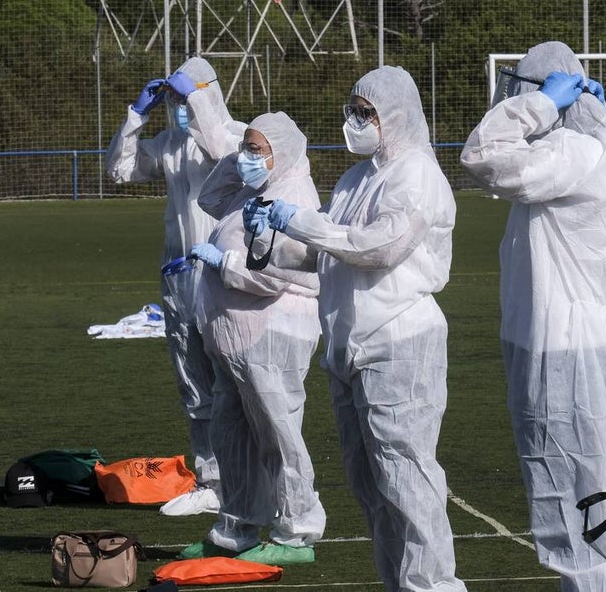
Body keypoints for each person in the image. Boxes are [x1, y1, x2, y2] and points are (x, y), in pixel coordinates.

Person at [243, 66, 467, 592]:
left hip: (399, 341)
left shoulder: (417, 175)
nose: (354, 121)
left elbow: (379, 247)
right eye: (352, 110)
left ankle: (434, 586)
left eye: (365, 113)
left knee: (406, 478)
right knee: (370, 484)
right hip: (349, 344)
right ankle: (399, 584)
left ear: (394, 116)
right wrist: (269, 245)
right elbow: (328, 255)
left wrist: (296, 220)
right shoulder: (355, 179)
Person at [459, 41, 606, 592]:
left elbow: (482, 155)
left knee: (576, 501)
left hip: (562, 350)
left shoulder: (573, 152)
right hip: (600, 339)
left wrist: (540, 106)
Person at [175, 111, 326, 565]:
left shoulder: (293, 196)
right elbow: (210, 197)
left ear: (282, 152)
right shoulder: (254, 189)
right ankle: (235, 527)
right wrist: (237, 155)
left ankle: (296, 531)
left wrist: (223, 264)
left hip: (272, 332)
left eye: (257, 150)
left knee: (277, 434)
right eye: (247, 147)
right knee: (231, 435)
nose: (247, 157)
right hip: (235, 337)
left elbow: (278, 275)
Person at [106, 56, 244, 516]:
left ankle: (250, 479)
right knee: (194, 385)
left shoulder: (238, 137)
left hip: (224, 275)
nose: (180, 109)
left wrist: (196, 101)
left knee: (235, 383)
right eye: (175, 101)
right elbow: (120, 170)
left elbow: (223, 153)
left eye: (187, 100)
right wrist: (135, 116)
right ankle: (212, 482)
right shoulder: (170, 145)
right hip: (179, 278)